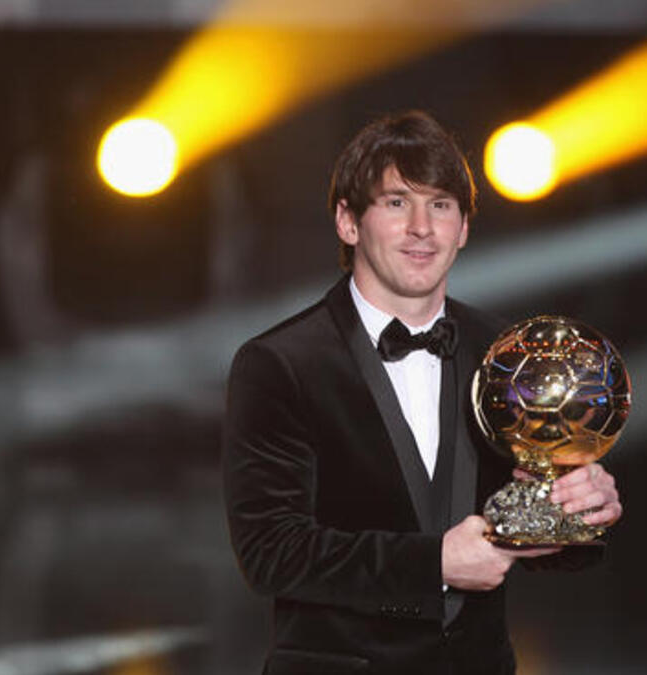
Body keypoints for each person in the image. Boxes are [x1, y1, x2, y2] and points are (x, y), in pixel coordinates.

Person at [222, 110, 622, 674]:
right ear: (348, 222)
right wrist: (433, 563)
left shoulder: (505, 354)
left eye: (440, 205)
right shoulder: (279, 363)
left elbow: (521, 525)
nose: (421, 228)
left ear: (463, 228)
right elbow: (272, 553)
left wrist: (580, 515)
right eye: (396, 203)